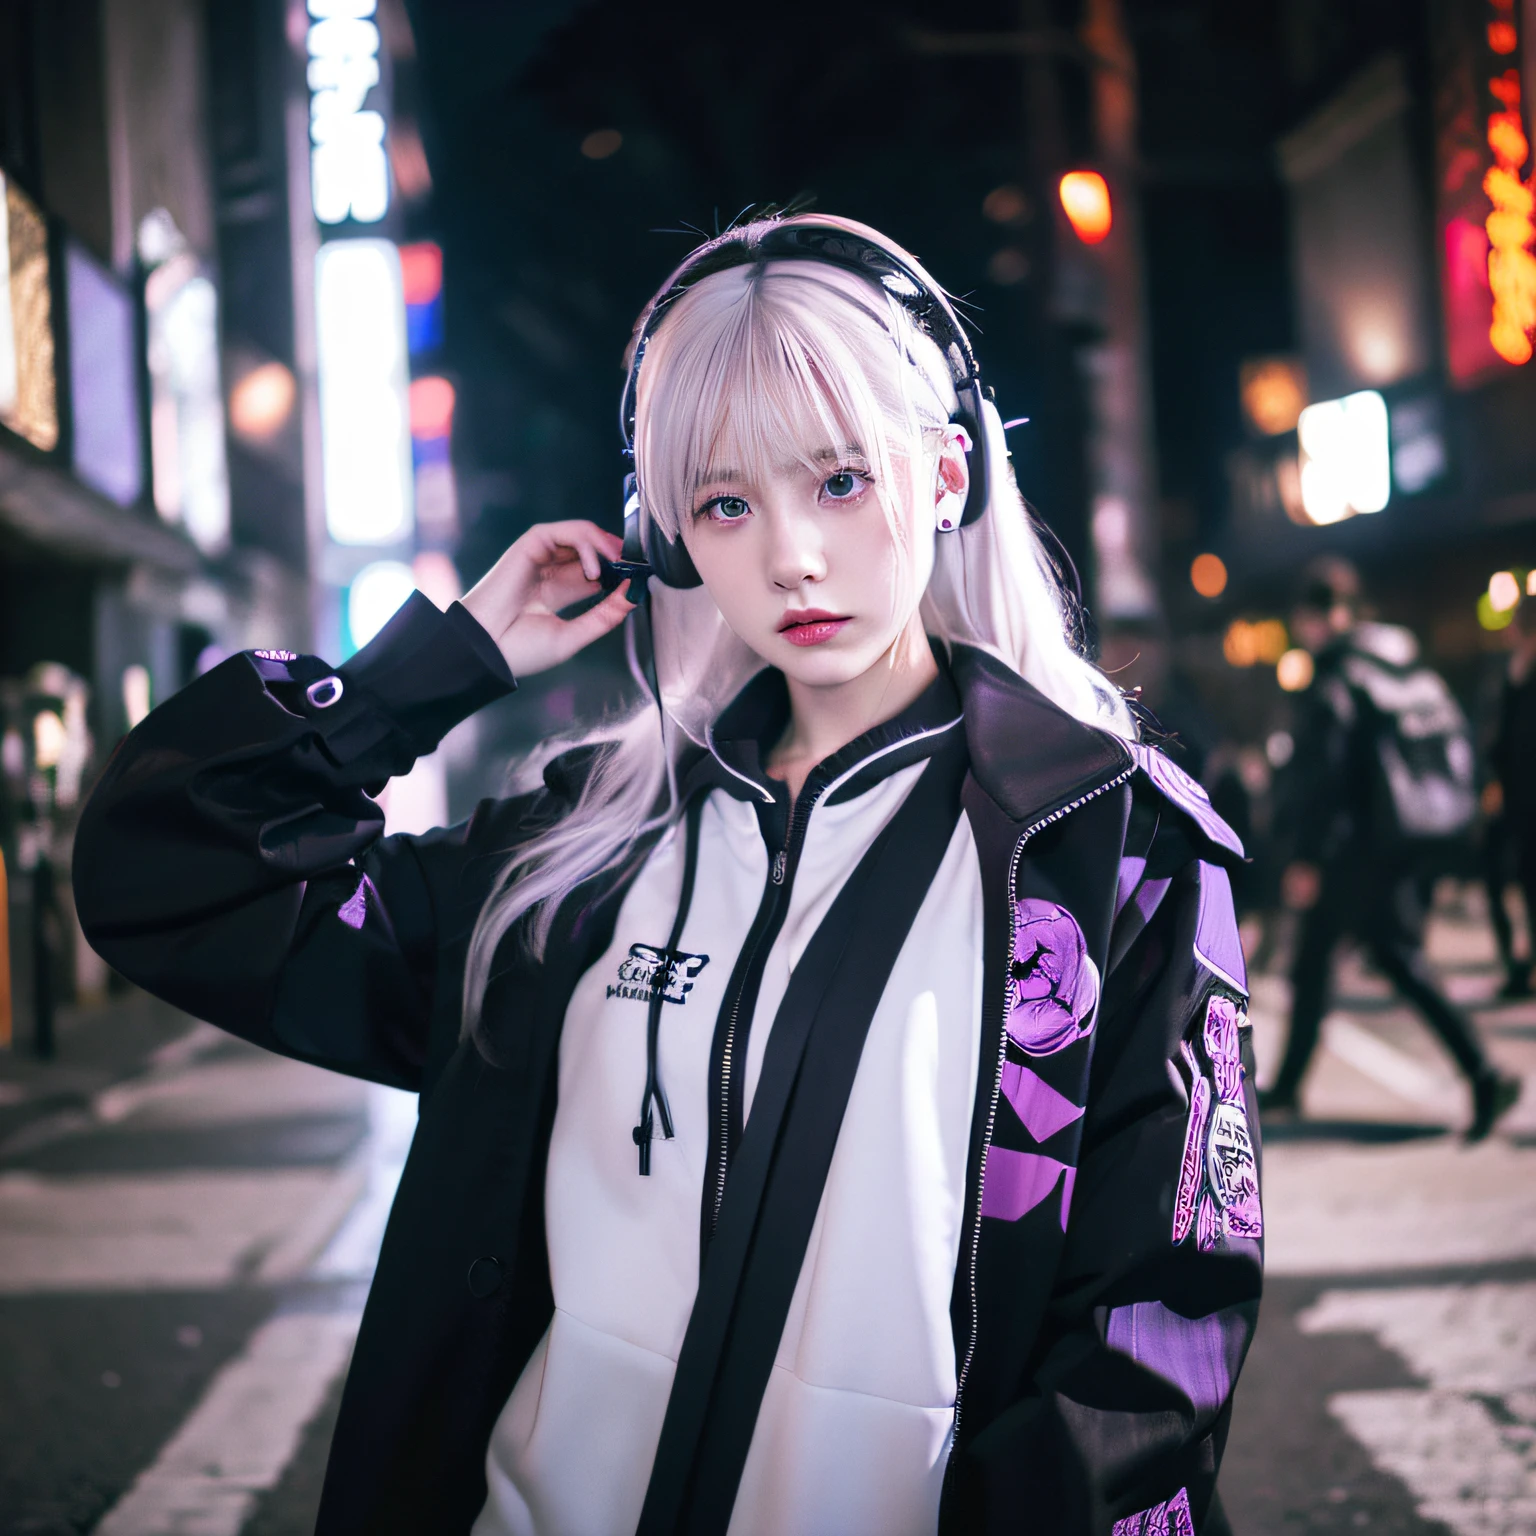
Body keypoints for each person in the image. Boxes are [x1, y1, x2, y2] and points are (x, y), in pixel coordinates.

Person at [73, 216, 1260, 1536]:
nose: (792, 557)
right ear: (669, 537)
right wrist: (438, 666)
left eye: (842, 482)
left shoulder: (1112, 848)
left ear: (944, 475)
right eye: (727, 503)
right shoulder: (581, 853)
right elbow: (172, 869)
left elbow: (1143, 1356)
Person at [1261, 558, 1521, 1140]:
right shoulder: (1399, 664)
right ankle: (1288, 1085)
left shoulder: (1335, 678)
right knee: (1319, 963)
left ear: (1315, 618)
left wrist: (1306, 857)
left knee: (1392, 959)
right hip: (1398, 840)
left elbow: (1323, 781)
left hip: (1350, 854)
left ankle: (1483, 1073)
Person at [1487, 591, 1536, 998]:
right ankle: (1518, 965)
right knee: (1503, 879)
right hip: (1513, 798)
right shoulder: (1511, 671)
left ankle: (1525, 970)